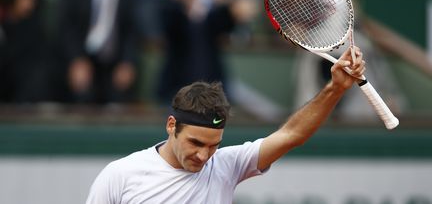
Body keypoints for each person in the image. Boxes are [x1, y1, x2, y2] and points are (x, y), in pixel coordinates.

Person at [86, 45, 366, 203]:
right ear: (172, 125)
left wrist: (335, 89)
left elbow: (292, 134)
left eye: (213, 146)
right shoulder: (120, 175)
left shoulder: (224, 165)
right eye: (195, 142)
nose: (204, 156)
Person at [55, 0, 139, 103]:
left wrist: (127, 62)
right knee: (81, 96)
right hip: (83, 57)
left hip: (115, 61)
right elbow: (66, 27)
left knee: (120, 99)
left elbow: (132, 28)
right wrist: (76, 60)